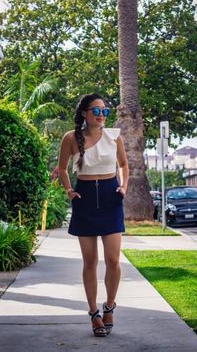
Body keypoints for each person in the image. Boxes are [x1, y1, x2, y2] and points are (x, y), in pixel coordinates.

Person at [58, 93, 129, 337]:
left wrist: (123, 186)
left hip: (110, 197)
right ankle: (93, 313)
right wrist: (69, 191)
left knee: (113, 261)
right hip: (84, 197)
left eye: (104, 111)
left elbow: (124, 165)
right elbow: (62, 168)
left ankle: (109, 306)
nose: (101, 115)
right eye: (96, 111)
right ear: (84, 114)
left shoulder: (114, 137)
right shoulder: (70, 137)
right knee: (90, 262)